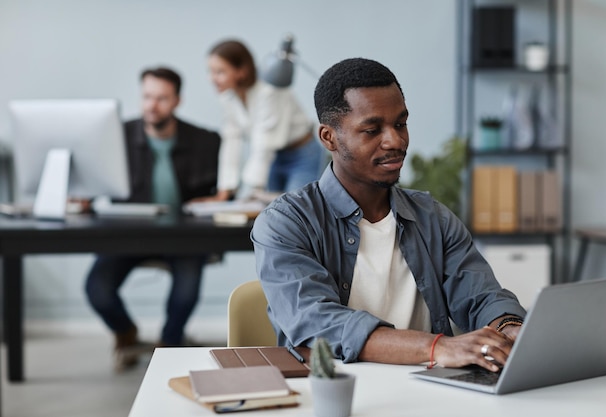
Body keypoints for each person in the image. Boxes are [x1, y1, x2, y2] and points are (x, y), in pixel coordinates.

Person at [251, 58, 527, 372]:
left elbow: (481, 296)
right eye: (372, 130)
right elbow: (319, 322)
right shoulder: (285, 223)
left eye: (400, 124)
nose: (395, 141)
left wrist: (509, 328)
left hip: (429, 389)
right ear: (329, 137)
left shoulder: (433, 218)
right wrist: (437, 347)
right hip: (332, 393)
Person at [85, 67, 221, 372]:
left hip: (183, 236)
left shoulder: (204, 140)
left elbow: (219, 190)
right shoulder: (115, 136)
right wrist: (84, 195)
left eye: (161, 98)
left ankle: (170, 346)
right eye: (147, 96)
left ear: (177, 101)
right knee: (97, 289)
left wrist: (219, 196)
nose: (152, 105)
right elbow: (97, 182)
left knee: (186, 291)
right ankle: (125, 332)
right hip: (128, 234)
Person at [205, 39, 323, 201]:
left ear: (242, 71)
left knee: (298, 213)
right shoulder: (228, 97)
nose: (212, 79)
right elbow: (231, 141)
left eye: (220, 72)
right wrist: (224, 191)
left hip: (302, 155)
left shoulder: (269, 92)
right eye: (210, 72)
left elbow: (264, 144)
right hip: (275, 157)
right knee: (274, 214)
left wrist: (251, 189)